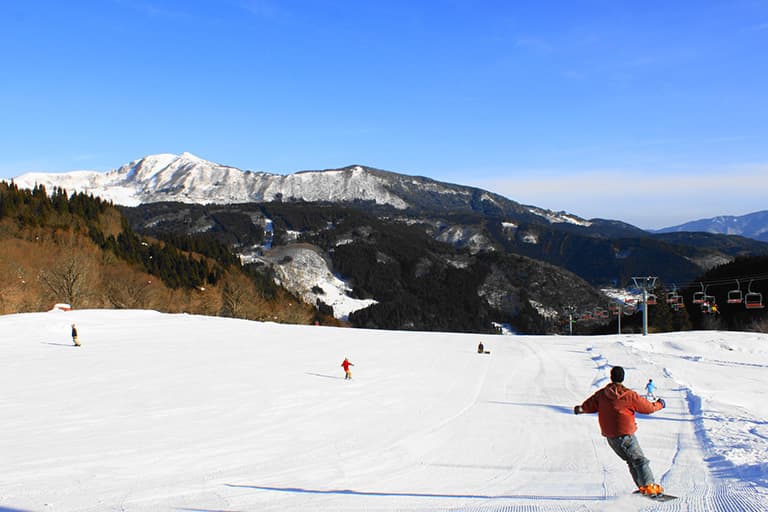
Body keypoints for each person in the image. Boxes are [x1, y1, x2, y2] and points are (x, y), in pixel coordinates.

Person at [574, 366, 666, 496]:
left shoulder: (601, 394)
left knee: (631, 461)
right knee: (640, 460)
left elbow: (588, 406)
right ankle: (649, 487)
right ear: (623, 378)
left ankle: (642, 487)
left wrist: (580, 409)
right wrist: (660, 404)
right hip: (625, 435)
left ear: (611, 377)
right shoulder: (628, 395)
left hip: (611, 437)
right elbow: (648, 408)